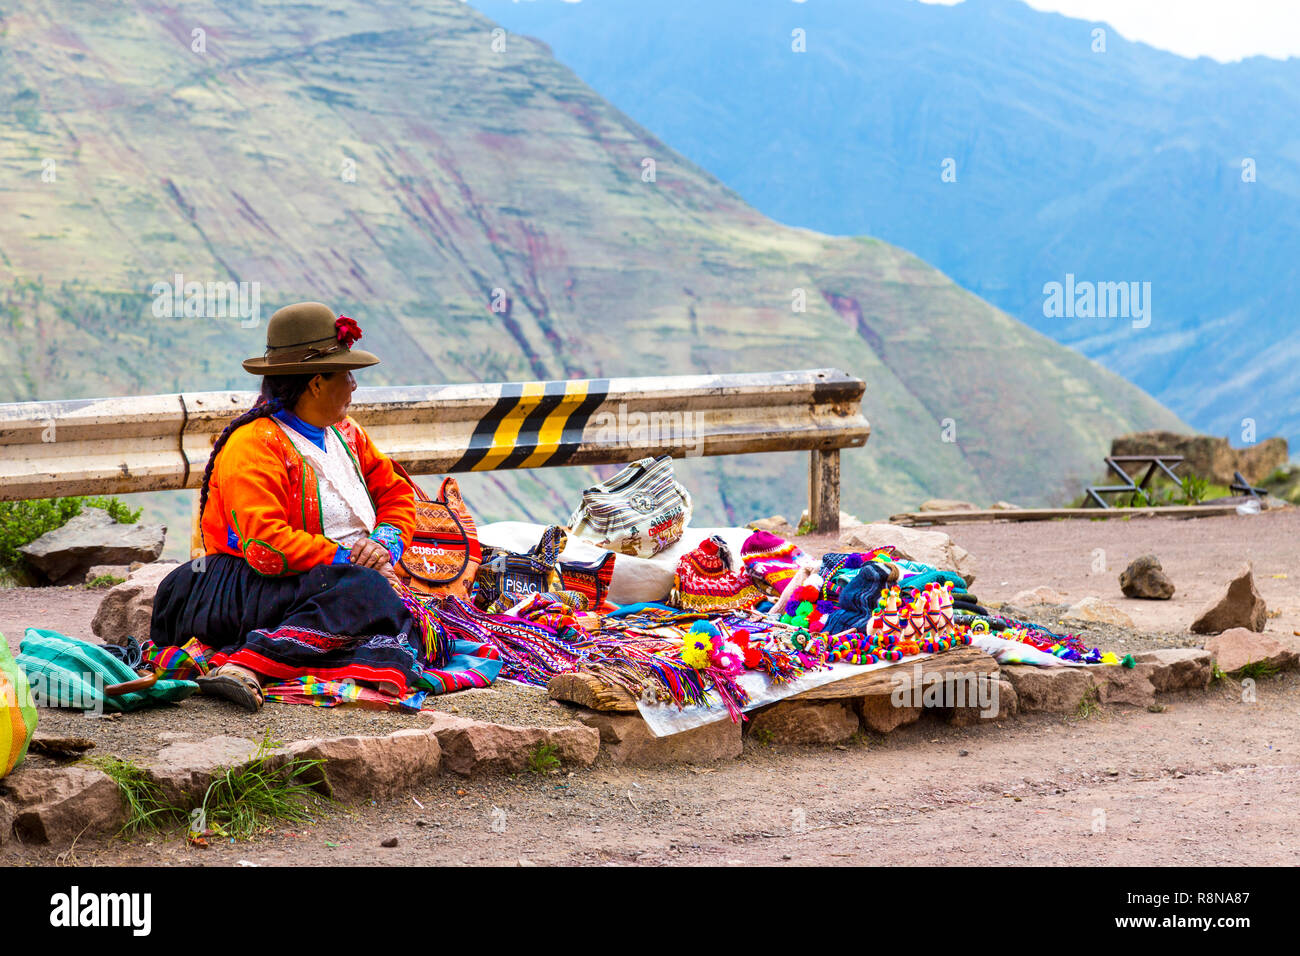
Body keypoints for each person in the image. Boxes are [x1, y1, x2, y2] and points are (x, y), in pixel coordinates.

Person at [150, 302, 426, 711]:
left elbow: (396, 492)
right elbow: (266, 546)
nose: (353, 385)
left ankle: (273, 652)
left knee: (386, 603)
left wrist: (383, 543)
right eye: (345, 375)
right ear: (316, 383)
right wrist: (352, 559)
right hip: (241, 586)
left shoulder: (348, 435)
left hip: (320, 581)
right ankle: (248, 666)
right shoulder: (254, 444)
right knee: (370, 596)